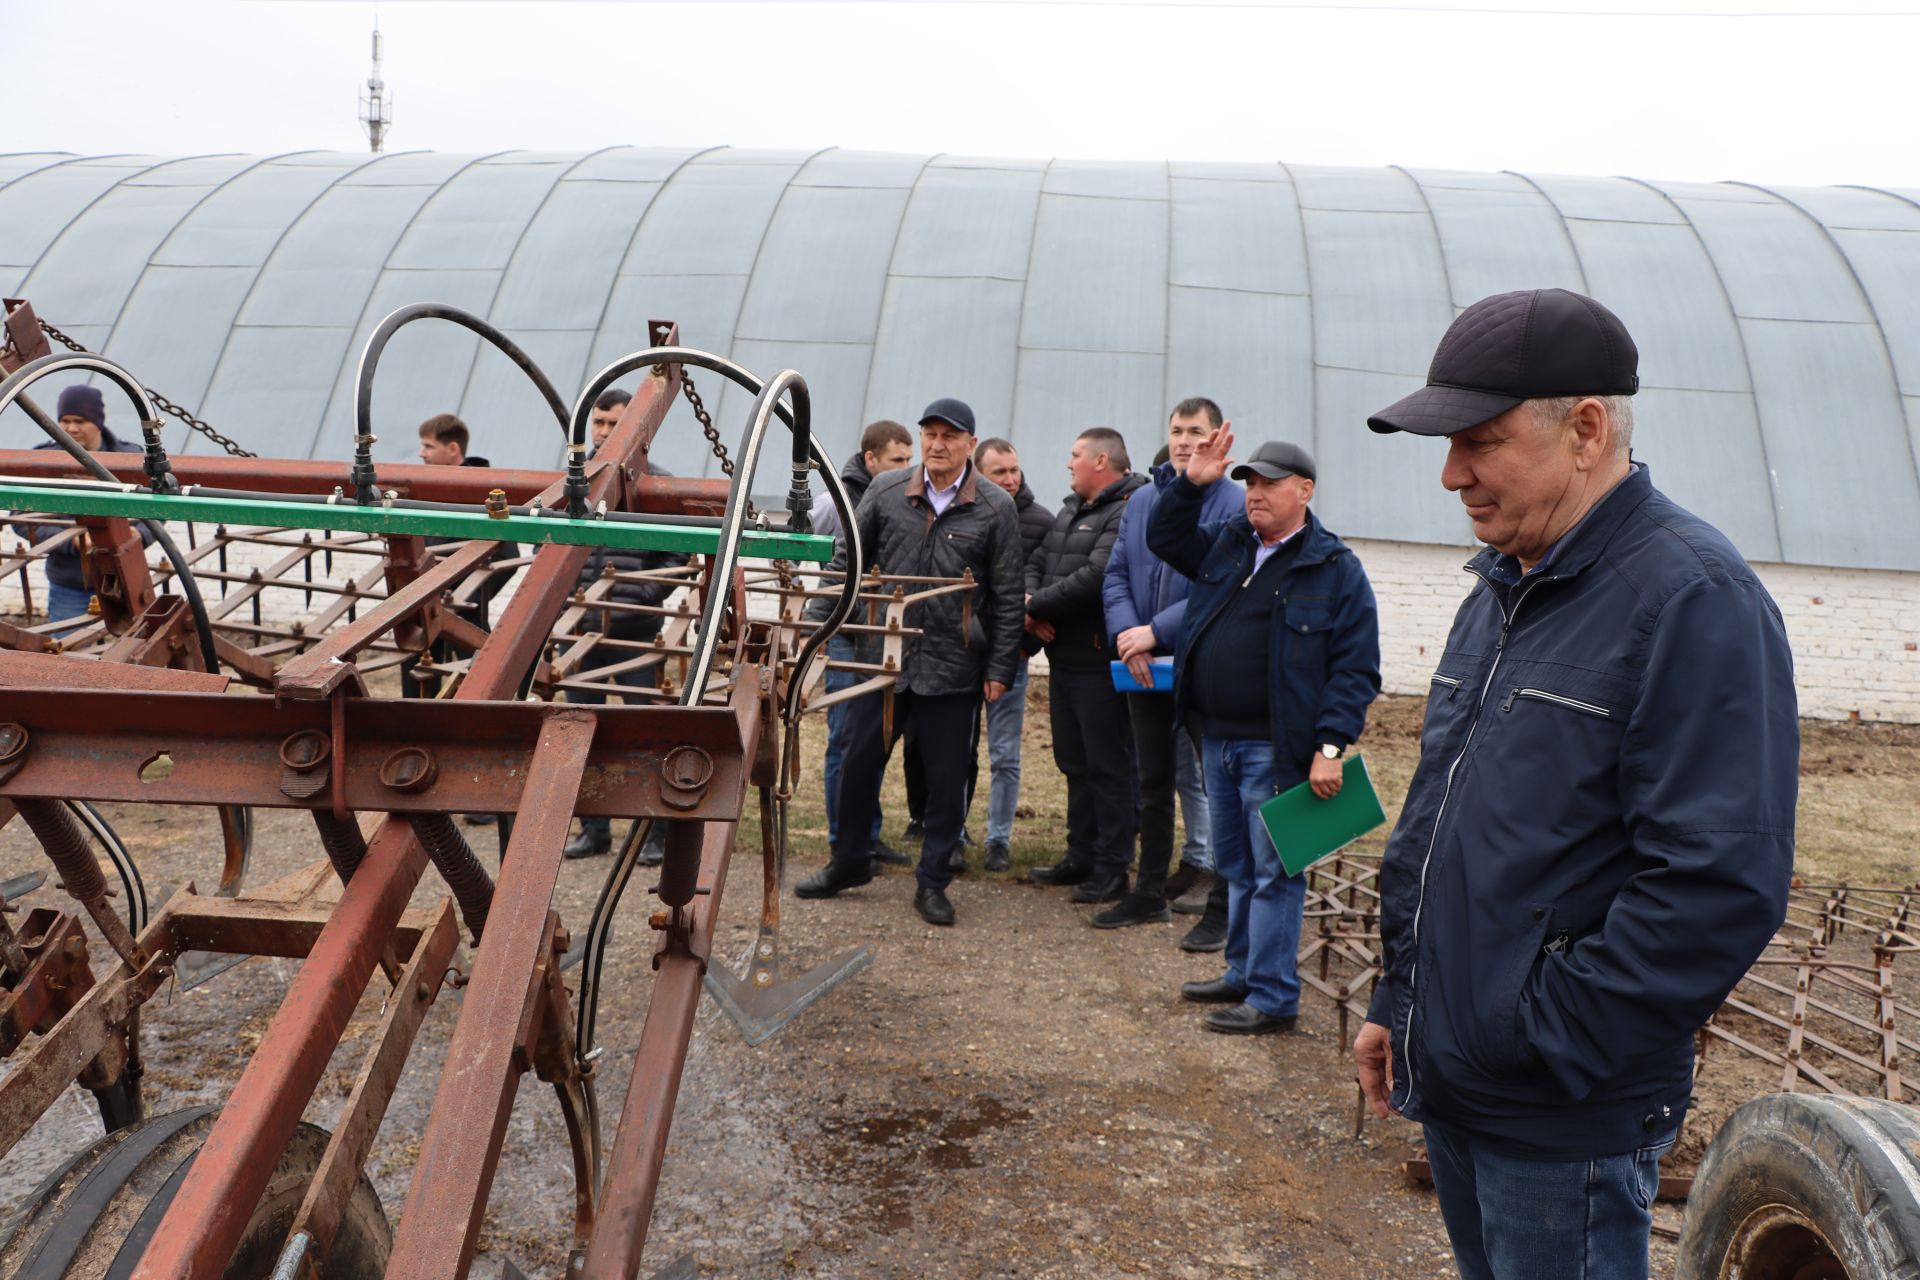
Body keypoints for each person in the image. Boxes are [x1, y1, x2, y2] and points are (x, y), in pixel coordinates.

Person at [1354, 288, 1796, 1280]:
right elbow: (1441, 818)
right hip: (1466, 1080)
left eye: (1480, 439)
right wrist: (1402, 995)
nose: (1450, 472)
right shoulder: (1505, 587)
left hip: (1560, 1115)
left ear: (1585, 428)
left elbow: (1719, 879)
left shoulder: (1692, 598)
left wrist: (1540, 1034)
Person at [1149, 432, 1380, 1035]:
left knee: (1276, 871)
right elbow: (1165, 537)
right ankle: (1243, 973)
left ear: (1304, 491)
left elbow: (1356, 670)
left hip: (1278, 750)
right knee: (1236, 865)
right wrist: (1191, 486)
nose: (1256, 495)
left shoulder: (1334, 569)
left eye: (1270, 484)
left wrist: (1330, 748)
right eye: (1250, 483)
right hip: (1217, 740)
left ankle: (1274, 998)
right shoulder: (1230, 543)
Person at [795, 397, 1024, 927]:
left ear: (970, 443)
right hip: (885, 660)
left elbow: (1009, 596)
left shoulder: (994, 507)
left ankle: (933, 881)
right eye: (930, 435)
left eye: (950, 436)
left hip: (953, 666)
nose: (938, 445)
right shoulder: (887, 490)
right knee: (856, 767)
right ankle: (850, 862)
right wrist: (820, 623)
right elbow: (846, 561)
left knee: (946, 784)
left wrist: (998, 670)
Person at [1098, 398, 1241, 938]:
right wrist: (1128, 638)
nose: (1185, 441)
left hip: (1202, 665)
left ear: (1216, 439)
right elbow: (1115, 574)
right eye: (1177, 430)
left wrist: (1156, 631)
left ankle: (1221, 910)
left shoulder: (1233, 502)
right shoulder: (1142, 500)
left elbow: (1220, 583)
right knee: (1152, 780)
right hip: (1141, 667)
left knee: (1217, 784)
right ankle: (1149, 892)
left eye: (1196, 431)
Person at [559, 388, 689, 862]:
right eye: (599, 423)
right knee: (578, 734)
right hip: (580, 633)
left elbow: (678, 552)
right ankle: (594, 831)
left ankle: (652, 834)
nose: (604, 432)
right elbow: (545, 545)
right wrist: (562, 606)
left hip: (636, 632)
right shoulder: (574, 479)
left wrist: (643, 595)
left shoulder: (658, 485)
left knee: (642, 733)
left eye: (614, 424)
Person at [1026, 428, 1148, 906]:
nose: (1068, 463)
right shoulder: (1071, 509)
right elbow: (1037, 560)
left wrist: (1039, 607)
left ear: (1101, 461)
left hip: (1100, 660)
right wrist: (1029, 604)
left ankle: (1113, 867)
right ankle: (1080, 855)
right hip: (1065, 660)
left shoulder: (1126, 510)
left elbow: (1097, 576)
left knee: (1108, 766)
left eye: (1074, 455)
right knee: (1074, 762)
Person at [808, 420, 915, 867]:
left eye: (910, 461)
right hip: (845, 632)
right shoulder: (838, 503)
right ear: (871, 459)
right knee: (846, 739)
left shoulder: (896, 498)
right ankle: (842, 839)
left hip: (875, 632)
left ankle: (866, 834)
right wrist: (817, 630)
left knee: (871, 739)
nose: (907, 470)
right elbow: (827, 570)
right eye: (897, 461)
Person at [972, 438, 1053, 872]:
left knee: (1005, 754)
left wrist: (1028, 620)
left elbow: (1047, 588)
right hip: (964, 652)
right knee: (957, 751)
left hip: (1014, 655)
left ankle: (998, 839)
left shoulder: (1042, 522)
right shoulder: (964, 516)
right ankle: (949, 831)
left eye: (1014, 470)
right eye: (999, 472)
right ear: (979, 473)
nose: (1010, 479)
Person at [29, 386, 141, 627]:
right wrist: (74, 541)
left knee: (124, 656)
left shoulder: (130, 458)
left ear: (98, 422)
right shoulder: (43, 460)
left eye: (79, 420)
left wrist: (138, 534)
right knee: (67, 654)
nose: (71, 428)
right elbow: (25, 519)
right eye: (64, 420)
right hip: (69, 583)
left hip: (125, 581)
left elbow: (154, 513)